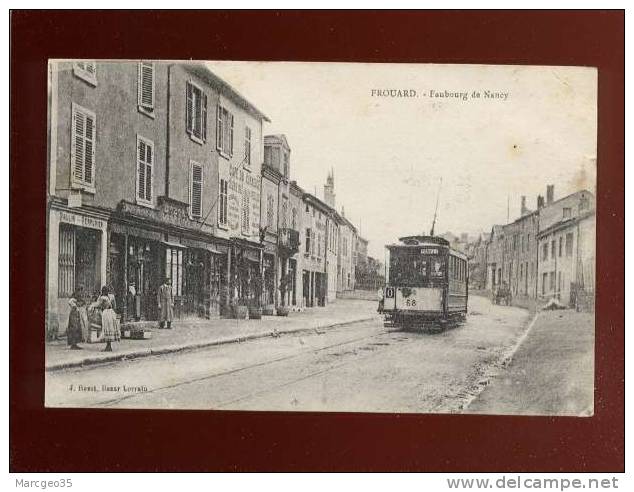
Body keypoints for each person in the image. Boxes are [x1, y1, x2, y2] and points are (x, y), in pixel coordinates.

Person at [90, 286, 120, 352]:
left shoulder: (102, 298)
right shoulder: (111, 297)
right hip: (111, 313)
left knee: (106, 328)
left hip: (106, 313)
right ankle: (109, 346)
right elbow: (114, 306)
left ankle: (108, 347)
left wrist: (91, 305)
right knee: (110, 328)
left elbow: (98, 305)